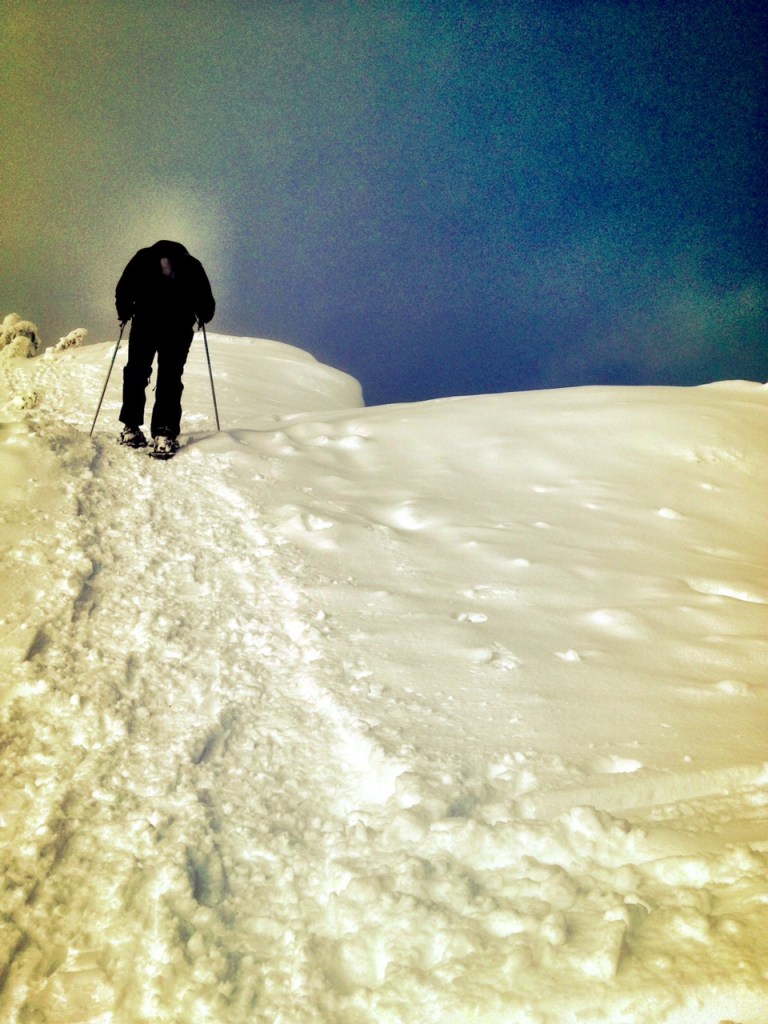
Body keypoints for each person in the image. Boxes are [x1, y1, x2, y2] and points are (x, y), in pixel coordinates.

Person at [115, 239, 215, 455]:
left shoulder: (142, 258)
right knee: (170, 375)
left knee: (136, 372)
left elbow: (124, 288)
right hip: (178, 328)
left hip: (144, 324)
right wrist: (203, 315)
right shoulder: (192, 264)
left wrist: (124, 311)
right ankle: (164, 433)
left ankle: (131, 428)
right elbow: (206, 301)